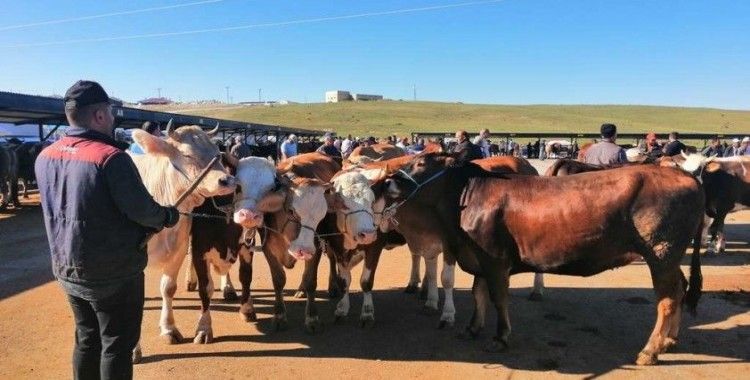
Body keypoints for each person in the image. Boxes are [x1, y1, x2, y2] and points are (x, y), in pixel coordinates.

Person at [35, 80, 179, 380]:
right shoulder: (111, 158)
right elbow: (144, 212)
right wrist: (167, 215)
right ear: (99, 116)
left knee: (87, 339)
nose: (113, 119)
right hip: (113, 274)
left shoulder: (45, 156)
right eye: (110, 113)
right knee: (116, 346)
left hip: (66, 269)